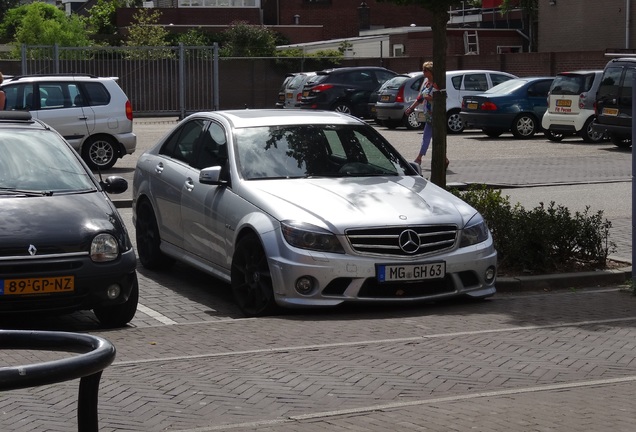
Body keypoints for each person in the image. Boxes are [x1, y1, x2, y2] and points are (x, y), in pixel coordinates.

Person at [404, 61, 449, 169]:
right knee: (427, 137)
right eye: (423, 70)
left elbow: (443, 96)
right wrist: (411, 108)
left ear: (431, 72)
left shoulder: (436, 83)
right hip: (428, 115)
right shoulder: (426, 83)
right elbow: (420, 98)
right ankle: (443, 159)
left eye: (425, 70)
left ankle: (419, 158)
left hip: (436, 115)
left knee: (434, 138)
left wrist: (432, 98)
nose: (423, 72)